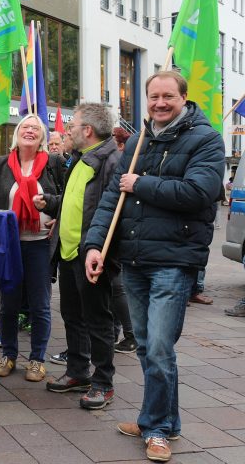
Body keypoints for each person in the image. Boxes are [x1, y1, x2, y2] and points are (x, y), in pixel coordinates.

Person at [84, 71, 225, 462]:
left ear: (184, 98)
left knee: (160, 348)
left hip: (174, 261)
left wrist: (141, 183)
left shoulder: (207, 139)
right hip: (134, 259)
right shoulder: (138, 140)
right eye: (153, 97)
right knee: (147, 345)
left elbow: (200, 193)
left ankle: (158, 428)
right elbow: (112, 199)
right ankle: (161, 420)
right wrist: (95, 244)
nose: (160, 104)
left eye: (168, 96)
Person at [38, 103, 119, 410]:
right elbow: (75, 201)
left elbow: (111, 211)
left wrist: (99, 250)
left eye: (73, 126)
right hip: (69, 252)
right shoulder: (80, 158)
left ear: (87, 130)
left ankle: (102, 382)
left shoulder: (111, 161)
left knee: (97, 319)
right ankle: (77, 372)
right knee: (72, 315)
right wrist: (49, 203)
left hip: (91, 255)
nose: (69, 131)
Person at [0, 114, 64, 382]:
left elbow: (66, 198)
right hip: (9, 245)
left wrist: (49, 205)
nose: (30, 131)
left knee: (40, 305)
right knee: (9, 304)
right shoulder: (0, 164)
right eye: (25, 126)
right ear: (17, 133)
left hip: (39, 244)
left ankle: (37, 359)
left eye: (36, 128)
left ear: (42, 137)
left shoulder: (54, 163)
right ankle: (9, 355)